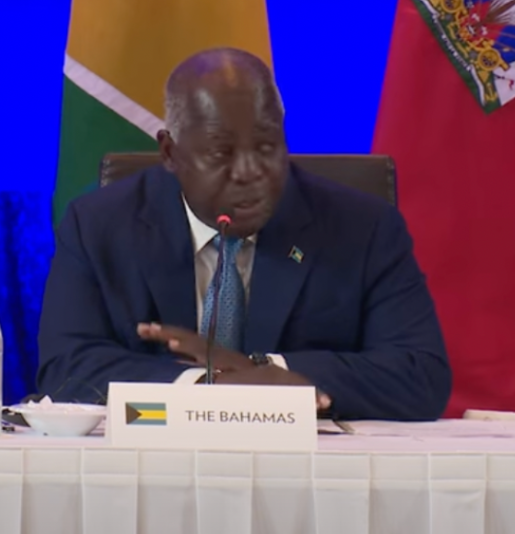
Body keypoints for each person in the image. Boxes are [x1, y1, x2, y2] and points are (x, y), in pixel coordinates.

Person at [37, 47, 450, 421]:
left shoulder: (363, 228)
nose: (251, 172)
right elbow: (65, 369)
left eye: (267, 146)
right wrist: (206, 386)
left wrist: (269, 372)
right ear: (169, 152)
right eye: (222, 153)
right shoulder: (100, 225)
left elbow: (420, 375)